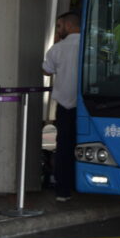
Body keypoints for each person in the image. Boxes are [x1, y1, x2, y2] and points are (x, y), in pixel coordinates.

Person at [42, 11, 80, 201]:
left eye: (59, 26)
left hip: (65, 106)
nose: (58, 30)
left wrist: (57, 40)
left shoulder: (58, 49)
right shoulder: (89, 45)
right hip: (87, 105)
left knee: (64, 147)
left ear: (68, 26)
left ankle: (63, 190)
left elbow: (46, 70)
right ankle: (81, 184)